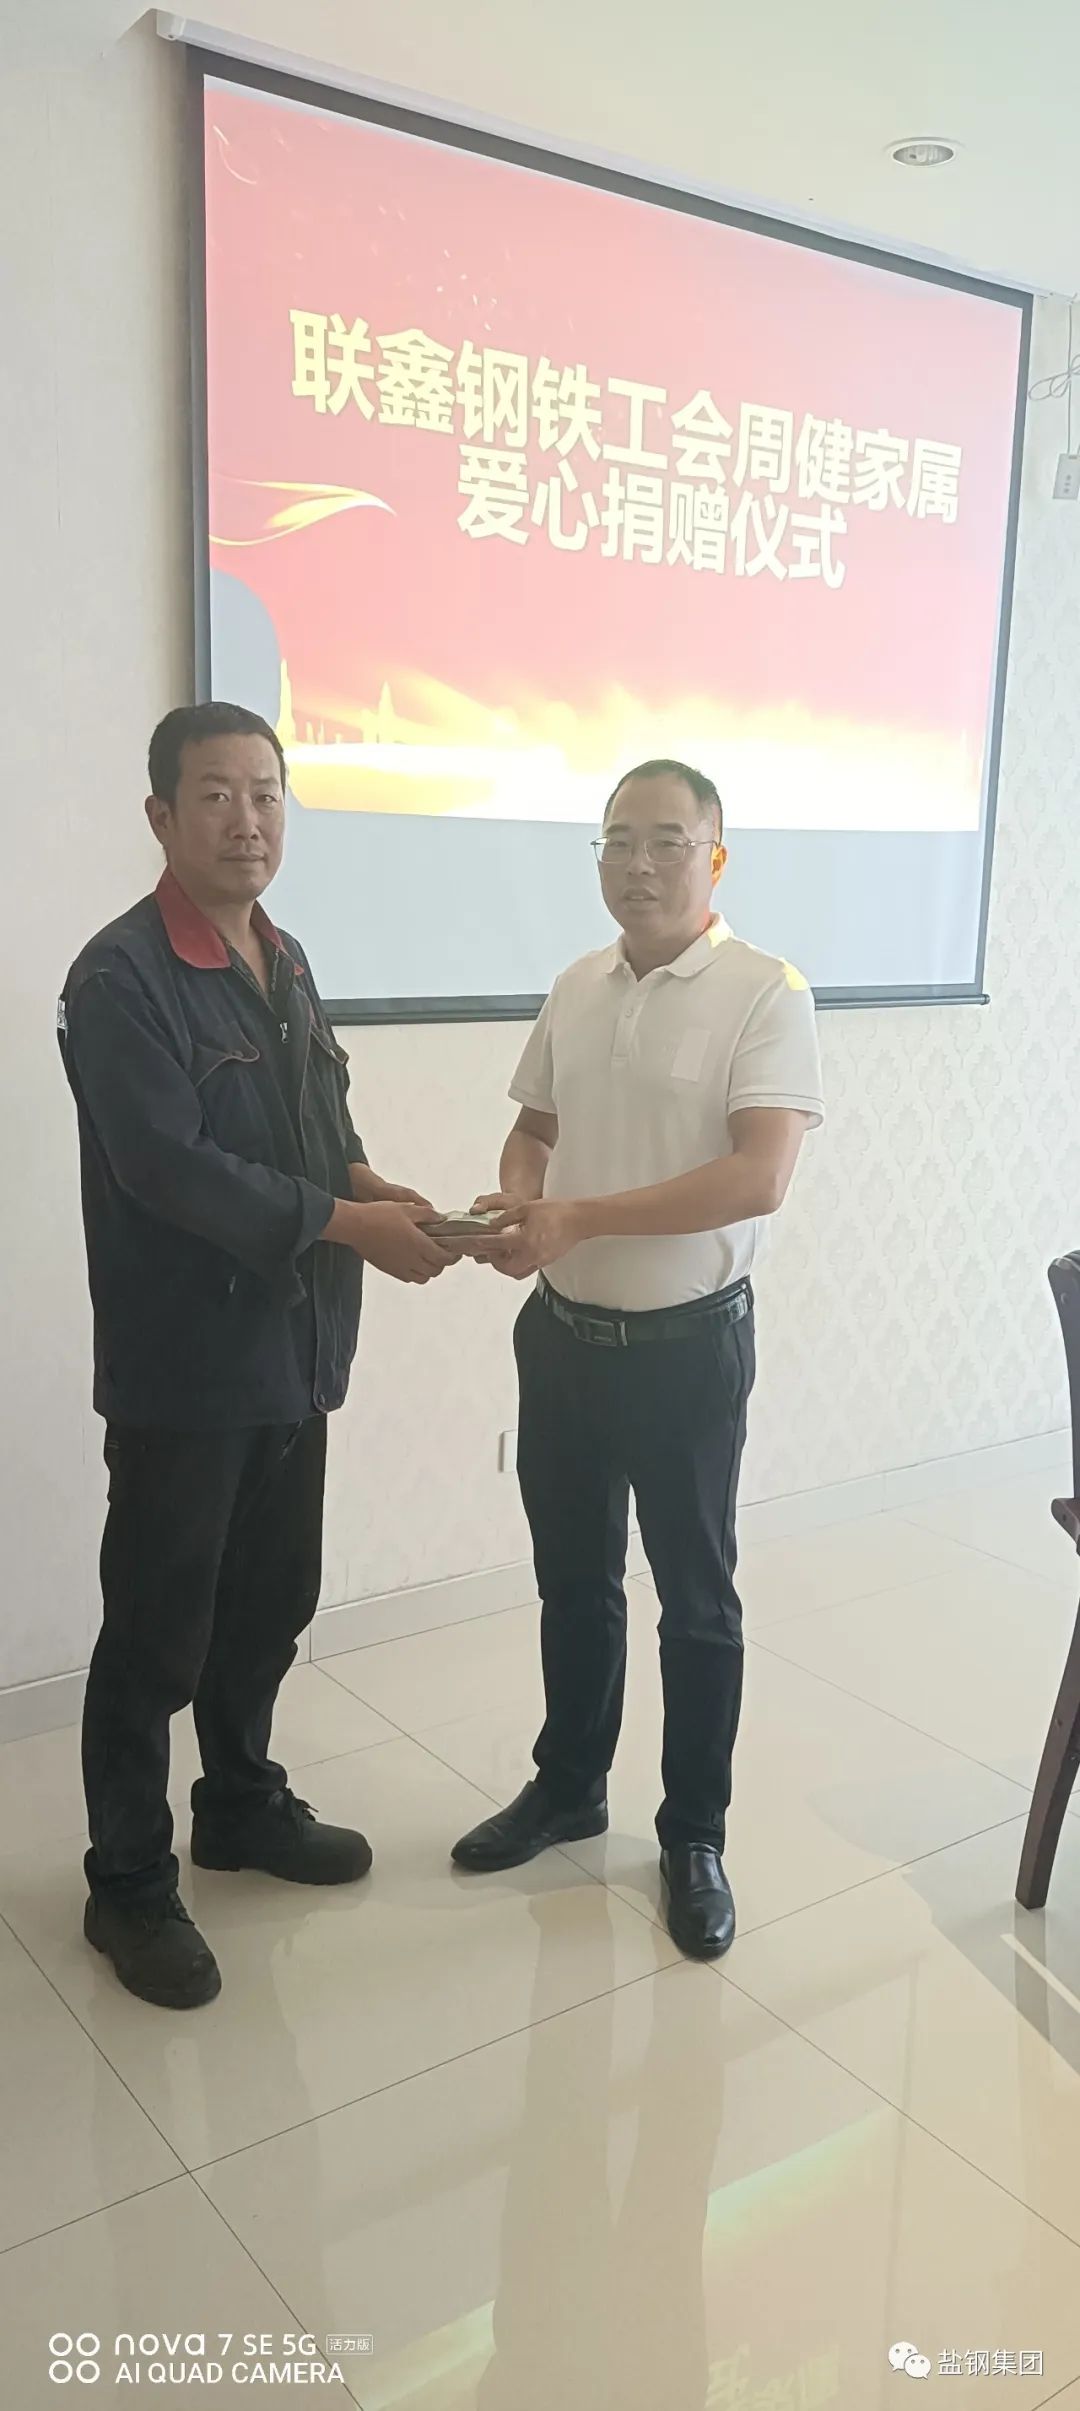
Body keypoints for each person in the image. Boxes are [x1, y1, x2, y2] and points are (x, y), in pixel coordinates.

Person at [59, 700, 454, 2011]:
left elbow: (317, 1128)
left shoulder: (283, 957)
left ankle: (236, 1802)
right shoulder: (119, 978)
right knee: (156, 1631)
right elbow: (170, 1167)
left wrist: (381, 1192)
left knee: (272, 1599)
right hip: (188, 1366)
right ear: (162, 814)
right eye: (217, 794)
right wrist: (347, 1221)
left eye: (268, 792)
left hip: (296, 1346)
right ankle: (127, 1878)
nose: (248, 819)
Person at [452, 760, 824, 1960]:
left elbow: (758, 1174)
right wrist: (522, 1200)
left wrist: (581, 1216)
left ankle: (694, 1835)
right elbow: (534, 1128)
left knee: (696, 1602)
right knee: (574, 1578)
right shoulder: (578, 984)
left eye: (668, 840)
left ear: (716, 857)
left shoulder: (766, 991)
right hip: (562, 1336)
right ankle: (569, 1784)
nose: (640, 864)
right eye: (619, 840)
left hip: (687, 1348)